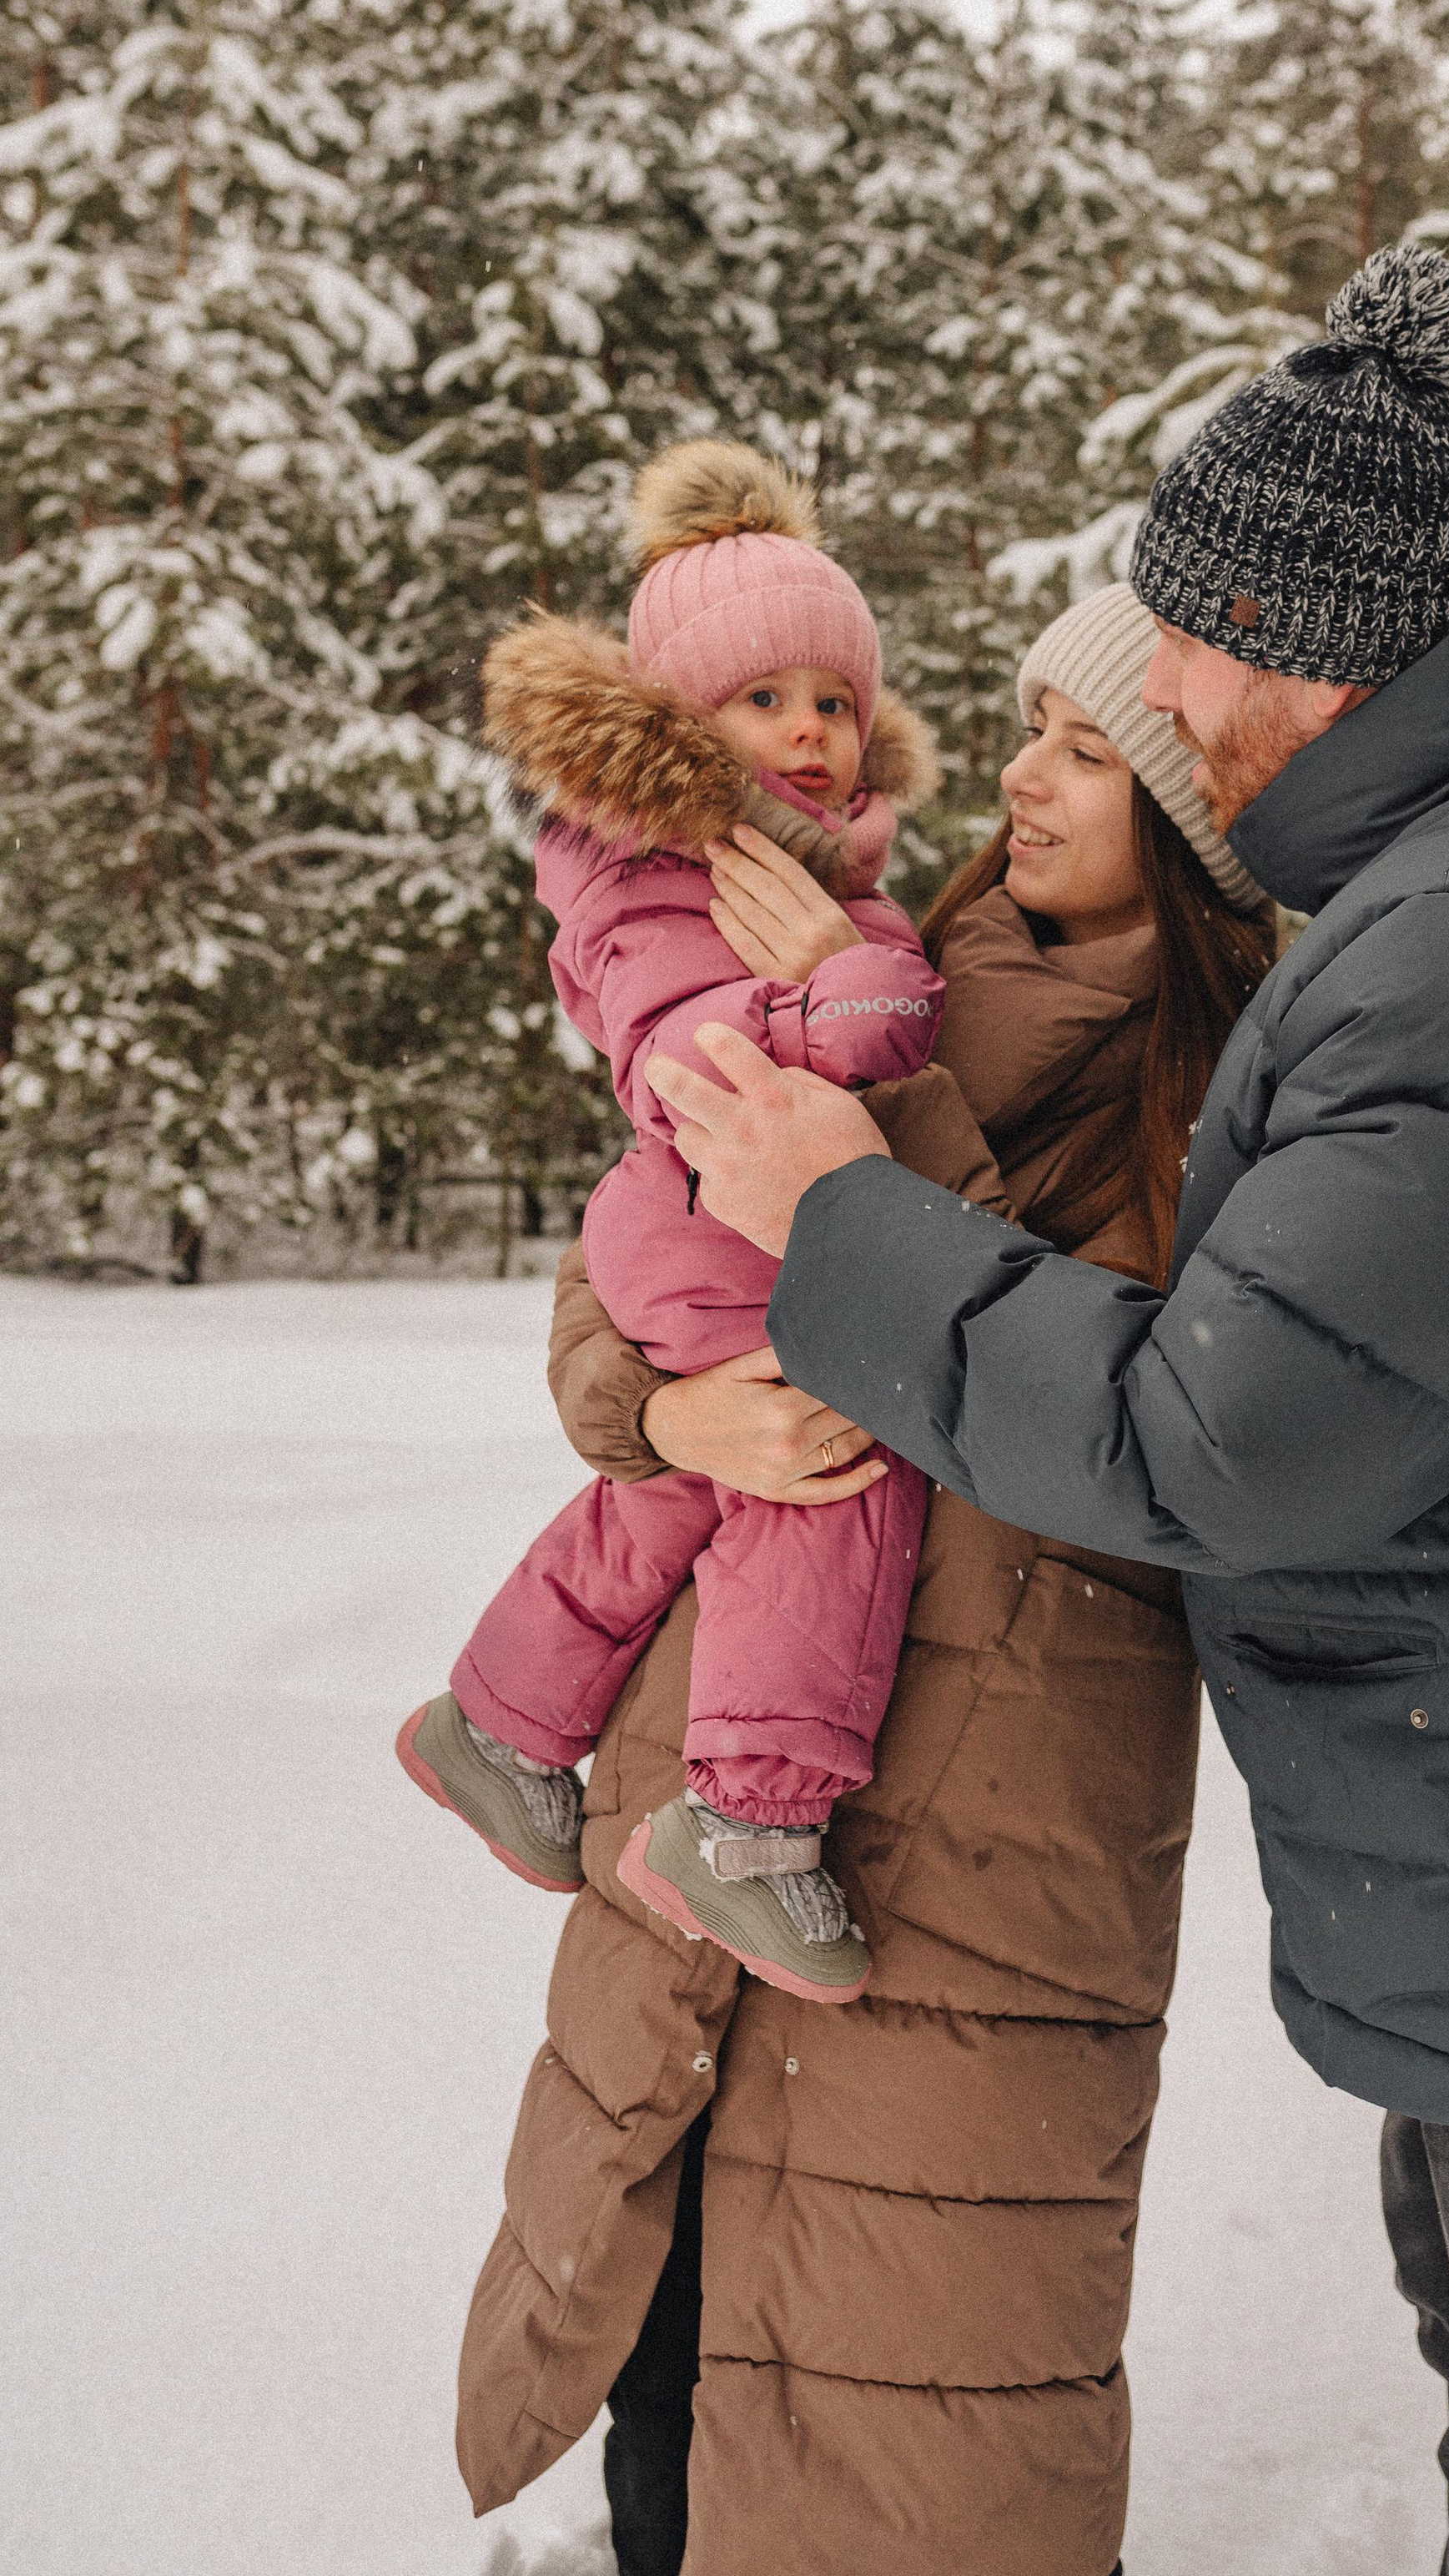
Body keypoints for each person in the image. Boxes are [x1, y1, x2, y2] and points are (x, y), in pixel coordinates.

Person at [654, 244, 1449, 2576]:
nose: (1152, 696)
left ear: (1298, 656)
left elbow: (1223, 1438)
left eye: (1175, 646)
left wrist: (847, 1219)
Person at [455, 585, 1279, 2575]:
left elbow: (1156, 1432)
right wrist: (671, 1424)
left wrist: (862, 1147)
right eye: (1016, 724)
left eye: (1083, 748)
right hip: (718, 1744)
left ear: (1184, 807)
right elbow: (621, 1275)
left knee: (902, 2385)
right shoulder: (868, 944)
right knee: (668, 2282)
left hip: (993, 1817)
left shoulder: (1246, 1071)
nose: (1017, 772)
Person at [399, 438, 944, 1995]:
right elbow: (697, 1073)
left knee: (673, 1497)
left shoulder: (800, 869)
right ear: (677, 725)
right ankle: (749, 1827)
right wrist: (856, 989)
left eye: (834, 702)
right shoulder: (654, 868)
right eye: (764, 699)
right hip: (715, 1227)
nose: (814, 733)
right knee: (829, 1472)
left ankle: (501, 1725)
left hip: (723, 1234)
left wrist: (846, 950)